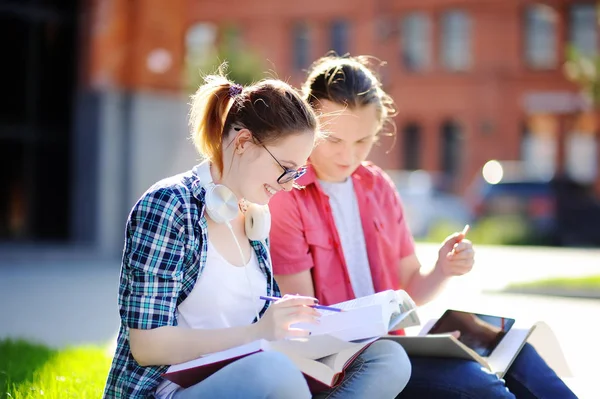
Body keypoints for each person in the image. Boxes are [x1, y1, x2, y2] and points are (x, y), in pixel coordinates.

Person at [268, 54, 578, 399]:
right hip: (351, 361)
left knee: (519, 354)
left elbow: (409, 288)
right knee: (479, 384)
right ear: (310, 126)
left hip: (398, 345)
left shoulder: (377, 187)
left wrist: (443, 269)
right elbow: (306, 322)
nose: (348, 156)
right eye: (334, 140)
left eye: (362, 141)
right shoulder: (287, 196)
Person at [103, 68, 411, 399]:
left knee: (388, 358)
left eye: (299, 171)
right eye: (285, 168)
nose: (292, 184)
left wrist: (295, 325)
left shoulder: (255, 216)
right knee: (273, 373)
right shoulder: (170, 205)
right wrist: (257, 334)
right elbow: (148, 346)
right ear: (244, 142)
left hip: (246, 374)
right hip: (167, 390)